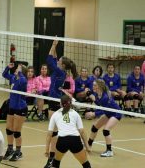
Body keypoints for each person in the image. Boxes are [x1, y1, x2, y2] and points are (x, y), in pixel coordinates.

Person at [44, 40, 77, 168]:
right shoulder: (60, 71)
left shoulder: (59, 71)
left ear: (62, 64)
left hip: (55, 101)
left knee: (54, 132)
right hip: (55, 100)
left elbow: (49, 58)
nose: (57, 60)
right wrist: (55, 46)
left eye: (59, 61)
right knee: (54, 132)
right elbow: (54, 57)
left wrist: (53, 44)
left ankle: (52, 160)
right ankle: (53, 160)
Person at [45, 95, 91, 168]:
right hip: (75, 140)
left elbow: (49, 134)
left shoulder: (55, 114)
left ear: (60, 104)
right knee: (86, 164)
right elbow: (82, 131)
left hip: (62, 140)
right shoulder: (75, 113)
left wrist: (47, 150)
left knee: (55, 163)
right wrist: (87, 146)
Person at [85, 79, 122, 157]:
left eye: (95, 85)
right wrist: (91, 96)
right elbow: (100, 105)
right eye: (93, 85)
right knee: (94, 127)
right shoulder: (97, 94)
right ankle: (88, 145)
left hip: (116, 113)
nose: (93, 86)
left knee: (106, 130)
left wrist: (94, 113)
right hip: (108, 113)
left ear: (100, 87)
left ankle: (109, 151)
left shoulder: (105, 97)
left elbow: (103, 110)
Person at [2, 63, 27, 161]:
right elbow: (4, 75)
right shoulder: (13, 78)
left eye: (18, 69)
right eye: (17, 68)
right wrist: (8, 67)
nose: (17, 69)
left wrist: (21, 71)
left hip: (20, 107)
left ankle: (18, 152)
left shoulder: (23, 80)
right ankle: (10, 149)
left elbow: (23, 80)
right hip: (12, 106)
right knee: (9, 129)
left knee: (16, 131)